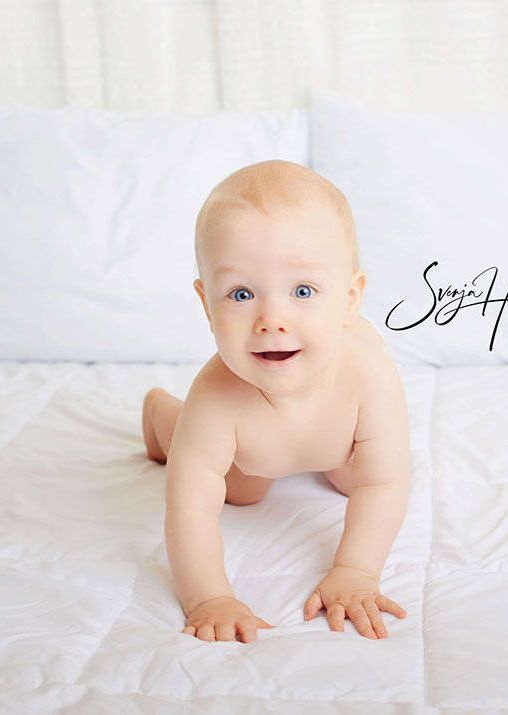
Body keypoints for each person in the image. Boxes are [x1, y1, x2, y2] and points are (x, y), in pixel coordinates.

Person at [143, 159, 410, 643]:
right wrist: (209, 598)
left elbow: (384, 481)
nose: (272, 319)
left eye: (303, 290)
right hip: (257, 450)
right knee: (243, 491)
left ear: (350, 300)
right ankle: (161, 413)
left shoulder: (368, 374)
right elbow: (190, 509)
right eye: (241, 294)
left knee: (357, 481)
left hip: (337, 440)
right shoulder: (216, 398)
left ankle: (326, 461)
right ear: (207, 304)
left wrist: (355, 571)